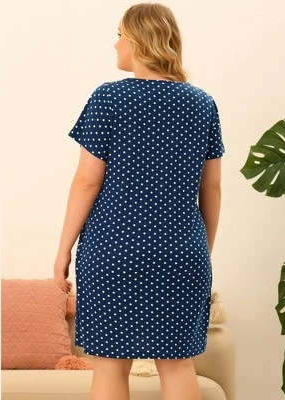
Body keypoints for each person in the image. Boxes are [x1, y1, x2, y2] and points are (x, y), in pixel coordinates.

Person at [53, 3, 225, 400]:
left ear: (138, 40)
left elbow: (86, 182)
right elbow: (212, 188)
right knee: (178, 364)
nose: (115, 44)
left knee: (110, 366)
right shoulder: (202, 104)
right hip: (181, 251)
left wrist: (63, 250)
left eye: (119, 35)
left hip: (113, 250)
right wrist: (202, 249)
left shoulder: (109, 98)